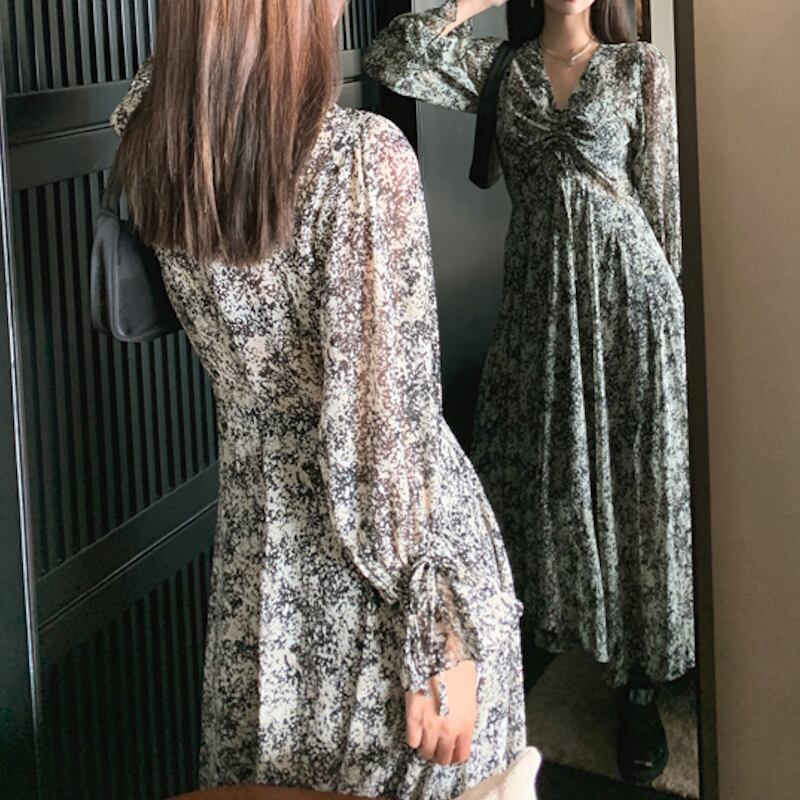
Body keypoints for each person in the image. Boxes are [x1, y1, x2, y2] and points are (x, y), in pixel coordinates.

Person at [109, 1, 526, 797]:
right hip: (382, 584)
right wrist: (436, 631)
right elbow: (380, 434)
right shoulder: (358, 160)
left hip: (258, 560)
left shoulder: (151, 134)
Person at [364, 0, 695, 785]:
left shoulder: (639, 69)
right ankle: (519, 660)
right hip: (537, 314)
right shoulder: (501, 69)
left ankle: (637, 685)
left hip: (629, 309)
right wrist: (469, 4)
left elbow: (664, 215)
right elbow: (391, 55)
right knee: (529, 490)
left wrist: (667, 329)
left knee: (635, 494)